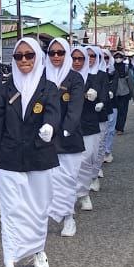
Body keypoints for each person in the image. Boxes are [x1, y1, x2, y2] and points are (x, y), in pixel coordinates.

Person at [0, 37, 61, 267]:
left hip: (40, 156)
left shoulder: (49, 88)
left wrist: (49, 127)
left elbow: (53, 113)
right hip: (9, 157)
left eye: (29, 55)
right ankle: (9, 265)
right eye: (18, 56)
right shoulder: (6, 89)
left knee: (37, 208)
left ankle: (38, 250)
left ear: (37, 57)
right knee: (11, 211)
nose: (23, 60)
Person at [45, 38, 85, 238]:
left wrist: (66, 129)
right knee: (47, 182)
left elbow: (75, 108)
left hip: (68, 138)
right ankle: (42, 220)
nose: (56, 56)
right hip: (45, 137)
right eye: (52, 53)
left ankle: (68, 218)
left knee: (67, 181)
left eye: (60, 52)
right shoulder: (41, 75)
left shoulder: (75, 78)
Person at [77, 47, 108, 204]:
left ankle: (93, 177)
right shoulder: (69, 76)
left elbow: (104, 91)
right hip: (72, 122)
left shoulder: (99, 75)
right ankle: (77, 193)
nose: (89, 59)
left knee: (93, 153)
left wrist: (100, 100)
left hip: (95, 117)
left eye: (91, 56)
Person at [110, 51, 134, 138]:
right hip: (113, 94)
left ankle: (120, 128)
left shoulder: (126, 68)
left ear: (122, 58)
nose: (118, 59)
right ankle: (114, 127)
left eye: (120, 57)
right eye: (116, 57)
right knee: (113, 112)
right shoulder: (111, 68)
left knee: (123, 112)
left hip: (124, 93)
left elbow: (131, 83)